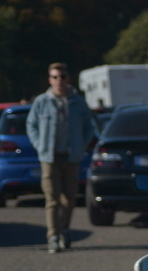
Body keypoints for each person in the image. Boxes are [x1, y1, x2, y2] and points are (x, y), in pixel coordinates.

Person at [26, 62, 97, 253]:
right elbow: (31, 125)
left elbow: (90, 127)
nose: (59, 81)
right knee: (52, 199)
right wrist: (40, 145)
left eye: (63, 77)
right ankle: (53, 236)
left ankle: (64, 230)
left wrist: (81, 146)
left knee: (69, 200)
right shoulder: (42, 101)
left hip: (71, 157)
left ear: (68, 78)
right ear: (50, 80)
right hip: (49, 158)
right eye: (55, 77)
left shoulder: (78, 102)